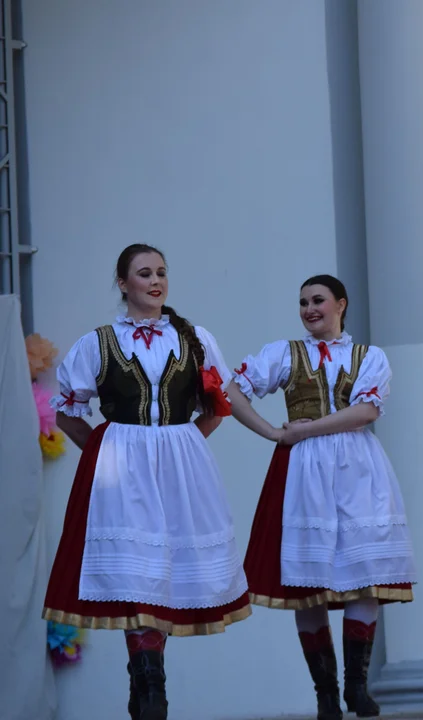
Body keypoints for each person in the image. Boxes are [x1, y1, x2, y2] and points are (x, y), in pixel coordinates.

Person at [42, 243, 250, 720]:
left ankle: (145, 688)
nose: (155, 281)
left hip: (180, 465)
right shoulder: (98, 342)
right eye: (143, 273)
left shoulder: (194, 338)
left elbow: (218, 406)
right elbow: (70, 413)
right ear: (122, 283)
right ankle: (152, 686)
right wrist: (107, 453)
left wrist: (184, 445)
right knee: (136, 575)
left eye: (161, 272)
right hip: (121, 467)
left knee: (165, 574)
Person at [227, 274, 416, 720]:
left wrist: (302, 430)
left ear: (341, 304)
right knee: (307, 584)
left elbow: (367, 410)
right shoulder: (284, 353)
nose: (310, 309)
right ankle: (326, 694)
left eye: (318, 300)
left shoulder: (370, 356)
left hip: (357, 466)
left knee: (364, 574)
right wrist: (272, 432)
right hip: (303, 470)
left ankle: (356, 687)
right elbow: (229, 391)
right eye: (303, 302)